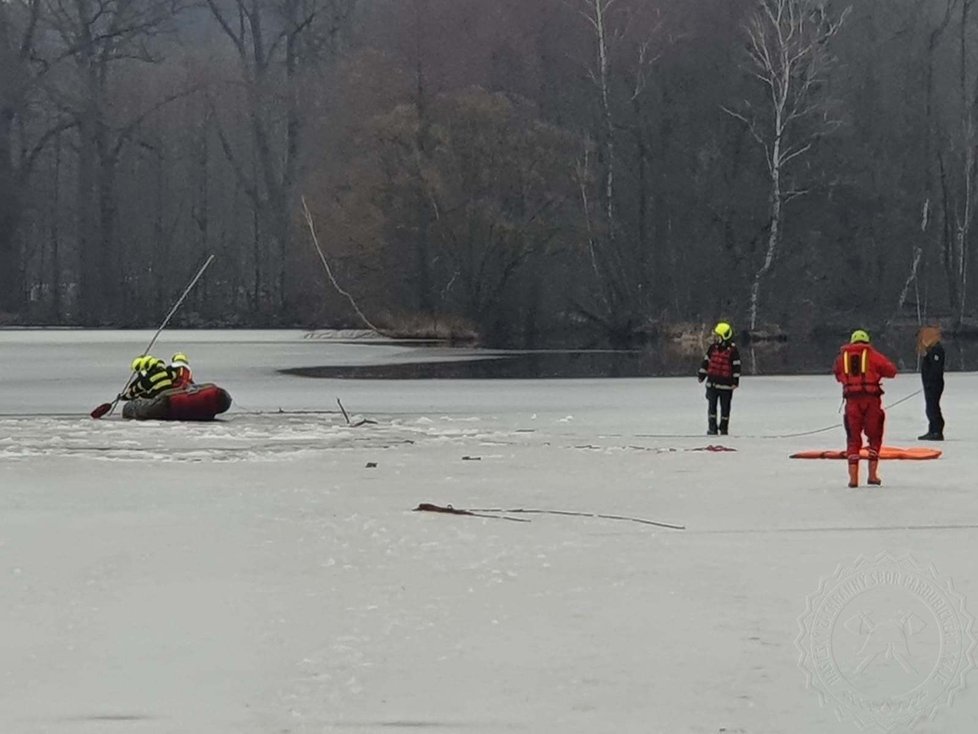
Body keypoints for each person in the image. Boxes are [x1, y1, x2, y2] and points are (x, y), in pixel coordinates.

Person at [833, 329, 897, 488]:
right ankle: (872, 475)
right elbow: (891, 371)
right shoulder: (873, 355)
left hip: (852, 403)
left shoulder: (842, 358)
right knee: (875, 437)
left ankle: (853, 479)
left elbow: (837, 375)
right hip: (871, 402)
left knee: (853, 439)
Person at [697, 321, 742, 435]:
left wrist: (735, 381)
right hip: (712, 384)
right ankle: (712, 428)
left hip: (726, 386)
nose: (715, 338)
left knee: (725, 408)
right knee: (711, 408)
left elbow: (736, 366)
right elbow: (706, 363)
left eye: (717, 336)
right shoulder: (712, 348)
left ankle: (723, 428)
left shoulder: (732, 350)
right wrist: (702, 375)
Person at [917, 326, 945, 441]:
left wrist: (931, 381)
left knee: (932, 407)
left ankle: (937, 431)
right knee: (930, 407)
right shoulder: (931, 350)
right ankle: (932, 429)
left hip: (934, 383)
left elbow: (936, 368)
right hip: (930, 383)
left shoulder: (936, 349)